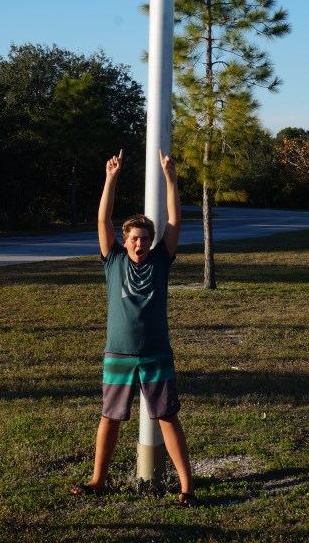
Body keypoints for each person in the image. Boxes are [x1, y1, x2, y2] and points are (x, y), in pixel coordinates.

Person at [71, 148, 196, 507]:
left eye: (144, 238)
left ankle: (187, 486)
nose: (139, 244)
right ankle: (99, 481)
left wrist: (171, 178)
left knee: (167, 418)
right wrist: (110, 178)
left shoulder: (161, 260)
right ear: (124, 241)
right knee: (109, 418)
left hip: (156, 353)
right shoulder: (112, 260)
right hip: (118, 353)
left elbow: (174, 221)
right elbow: (102, 220)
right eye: (134, 238)